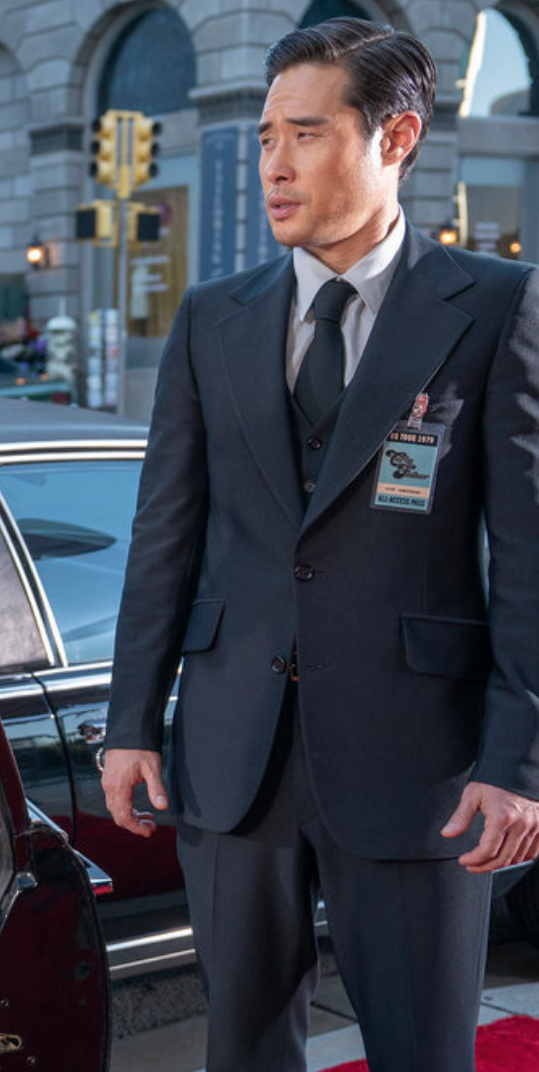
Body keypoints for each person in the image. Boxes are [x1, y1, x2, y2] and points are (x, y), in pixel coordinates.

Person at [101, 17, 539, 1072]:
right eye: (261, 138)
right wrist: (129, 720)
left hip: (416, 759)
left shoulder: (489, 305)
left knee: (422, 1050)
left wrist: (517, 758)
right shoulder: (210, 318)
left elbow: (527, 553)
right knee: (242, 1049)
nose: (271, 165)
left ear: (394, 136)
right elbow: (164, 531)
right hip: (229, 748)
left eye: (302, 133)